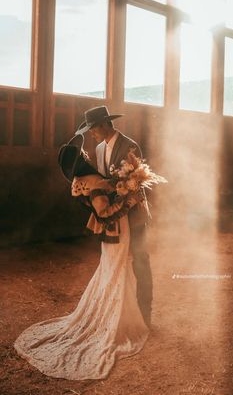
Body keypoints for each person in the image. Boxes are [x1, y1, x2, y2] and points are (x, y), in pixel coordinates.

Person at [13, 136, 149, 381]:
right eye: (83, 157)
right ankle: (115, 322)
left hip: (113, 235)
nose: (87, 156)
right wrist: (128, 200)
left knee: (113, 272)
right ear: (80, 163)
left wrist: (121, 187)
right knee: (116, 273)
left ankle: (121, 316)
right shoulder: (94, 182)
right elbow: (106, 214)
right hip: (117, 232)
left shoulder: (83, 181)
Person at [76, 105, 153, 327]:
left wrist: (116, 195)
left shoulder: (130, 146)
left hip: (133, 213)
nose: (91, 133)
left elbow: (134, 185)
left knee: (140, 260)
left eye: (93, 128)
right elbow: (103, 180)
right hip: (114, 217)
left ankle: (144, 315)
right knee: (115, 262)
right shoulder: (99, 149)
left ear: (104, 124)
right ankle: (116, 315)